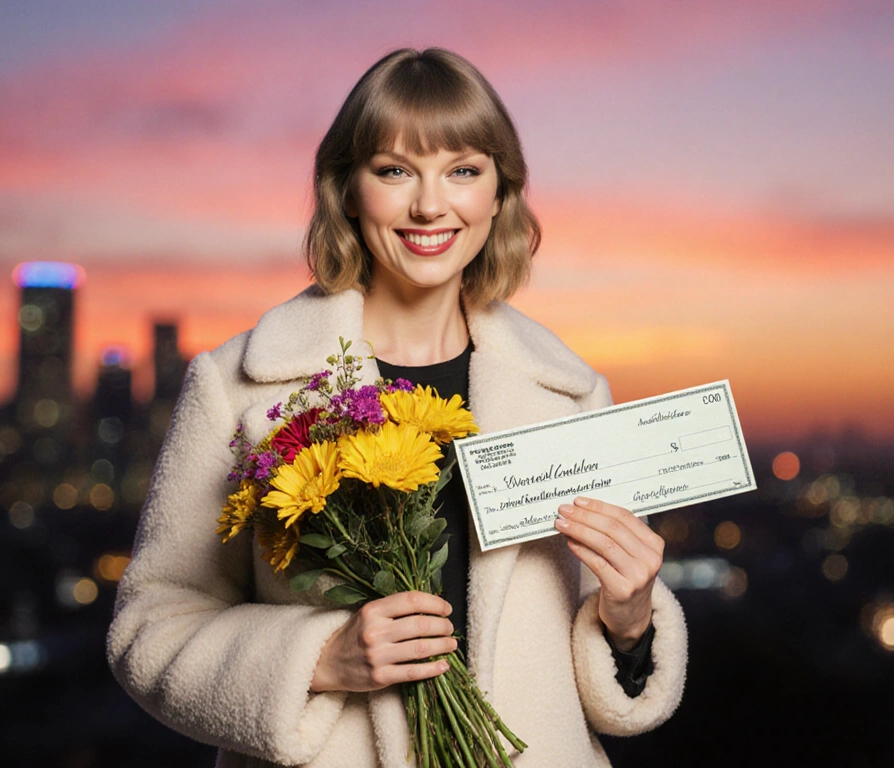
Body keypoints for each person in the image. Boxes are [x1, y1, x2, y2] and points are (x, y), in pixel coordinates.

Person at [107, 48, 687, 767]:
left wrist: (628, 620)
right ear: (347, 189)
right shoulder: (240, 387)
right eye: (394, 171)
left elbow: (603, 688)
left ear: (500, 194)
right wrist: (321, 656)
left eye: (464, 171)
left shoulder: (567, 393)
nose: (430, 205)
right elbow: (149, 631)